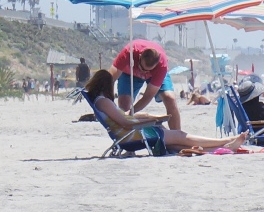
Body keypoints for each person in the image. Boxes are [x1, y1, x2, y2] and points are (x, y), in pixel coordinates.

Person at [86, 70, 245, 152]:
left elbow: (124, 119)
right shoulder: (104, 102)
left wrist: (148, 117)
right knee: (182, 136)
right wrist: (151, 121)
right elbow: (125, 123)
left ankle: (223, 148)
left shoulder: (100, 102)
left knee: (175, 143)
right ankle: (226, 141)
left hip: (131, 134)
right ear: (107, 84)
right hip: (132, 136)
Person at [109, 39, 181, 131]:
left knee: (170, 98)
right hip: (130, 72)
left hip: (155, 74)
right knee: (124, 104)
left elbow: (147, 96)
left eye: (148, 70)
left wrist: (131, 112)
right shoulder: (128, 52)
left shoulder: (161, 65)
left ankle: (177, 135)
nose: (144, 72)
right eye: (142, 67)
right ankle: (129, 136)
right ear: (140, 56)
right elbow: (110, 79)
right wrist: (109, 103)